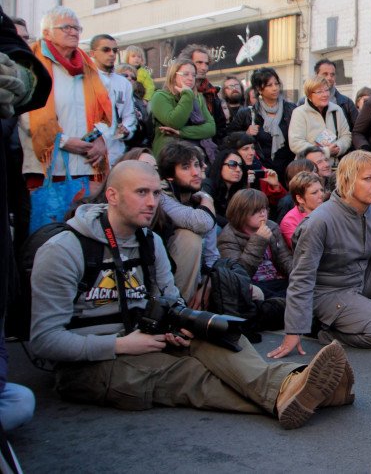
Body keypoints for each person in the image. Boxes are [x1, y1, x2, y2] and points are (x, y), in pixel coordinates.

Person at [28, 159, 353, 430]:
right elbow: (45, 341)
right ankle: (302, 389)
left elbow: (170, 302)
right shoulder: (64, 250)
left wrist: (181, 326)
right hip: (90, 363)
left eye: (156, 193)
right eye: (141, 192)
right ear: (112, 195)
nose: (152, 202)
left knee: (223, 334)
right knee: (187, 374)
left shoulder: (149, 241)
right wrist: (119, 344)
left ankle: (297, 389)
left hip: (144, 339)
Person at [272, 151, 371, 350]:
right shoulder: (319, 221)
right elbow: (301, 278)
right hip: (329, 292)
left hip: (361, 278)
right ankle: (324, 330)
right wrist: (294, 330)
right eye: (368, 178)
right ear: (346, 181)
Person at [0, 5, 49, 435]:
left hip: (11, 171)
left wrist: (18, 74)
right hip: (44, 163)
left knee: (19, 402)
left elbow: (33, 84)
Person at [19, 6, 112, 192]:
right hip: (47, 168)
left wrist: (100, 138)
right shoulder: (30, 62)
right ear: (47, 33)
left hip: (87, 164)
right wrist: (63, 141)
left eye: (77, 28)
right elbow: (26, 113)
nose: (73, 32)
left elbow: (105, 111)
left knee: (82, 218)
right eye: (66, 28)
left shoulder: (88, 67)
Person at [155, 141, 220, 299]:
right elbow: (202, 222)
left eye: (196, 165)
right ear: (170, 175)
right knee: (189, 239)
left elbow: (212, 255)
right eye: (185, 167)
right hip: (163, 285)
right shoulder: (160, 197)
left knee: (256, 293)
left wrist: (208, 283)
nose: (196, 172)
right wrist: (207, 198)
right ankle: (179, 313)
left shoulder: (198, 199)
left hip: (200, 278)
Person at [218, 188, 293, 299]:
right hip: (253, 286)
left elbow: (284, 259)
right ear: (241, 213)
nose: (263, 214)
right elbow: (238, 275)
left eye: (264, 209)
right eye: (256, 210)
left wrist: (299, 275)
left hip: (277, 279)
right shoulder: (228, 236)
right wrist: (259, 241)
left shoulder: (272, 227)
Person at [227, 67, 295, 181]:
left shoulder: (291, 109)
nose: (275, 88)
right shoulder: (247, 113)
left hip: (289, 168)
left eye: (276, 84)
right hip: (261, 170)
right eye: (269, 85)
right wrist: (246, 134)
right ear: (259, 88)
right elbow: (228, 139)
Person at [150, 58, 216, 161]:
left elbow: (211, 128)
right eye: (185, 74)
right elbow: (175, 122)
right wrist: (187, 95)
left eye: (193, 75)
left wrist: (181, 132)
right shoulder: (160, 96)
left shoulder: (198, 98)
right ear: (173, 75)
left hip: (198, 154)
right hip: (170, 155)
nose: (191, 78)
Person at [88, 34, 137, 167]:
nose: (112, 54)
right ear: (93, 53)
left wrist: (126, 129)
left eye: (115, 50)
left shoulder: (123, 83)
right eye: (106, 50)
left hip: (116, 152)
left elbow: (129, 114)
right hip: (91, 151)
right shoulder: (85, 79)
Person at [288, 76, 352, 165]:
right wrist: (325, 151)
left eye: (326, 90)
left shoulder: (337, 110)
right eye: (320, 92)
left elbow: (346, 135)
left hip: (333, 167)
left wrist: (338, 147)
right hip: (309, 168)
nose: (325, 94)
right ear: (309, 95)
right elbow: (296, 143)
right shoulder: (299, 113)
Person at [178, 44, 226, 142]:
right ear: (187, 63)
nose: (204, 67)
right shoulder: (176, 90)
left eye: (206, 63)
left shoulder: (212, 93)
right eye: (199, 63)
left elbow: (219, 127)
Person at [203, 149, 249, 228]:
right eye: (232, 164)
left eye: (240, 165)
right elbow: (206, 214)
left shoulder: (237, 191)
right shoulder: (207, 185)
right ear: (220, 166)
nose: (238, 170)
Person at [280, 171, 326, 249]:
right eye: (315, 193)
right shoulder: (290, 222)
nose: (321, 195)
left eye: (321, 190)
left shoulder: (327, 210)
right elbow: (304, 250)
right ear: (300, 199)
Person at [314, 58, 359, 130]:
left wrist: (342, 141)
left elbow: (357, 131)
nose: (329, 77)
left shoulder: (346, 103)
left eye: (332, 75)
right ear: (316, 75)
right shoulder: (304, 102)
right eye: (325, 74)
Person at [115, 63, 153, 149]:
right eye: (125, 75)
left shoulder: (138, 100)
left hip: (140, 145)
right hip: (121, 147)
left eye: (133, 77)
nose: (130, 79)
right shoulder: (111, 99)